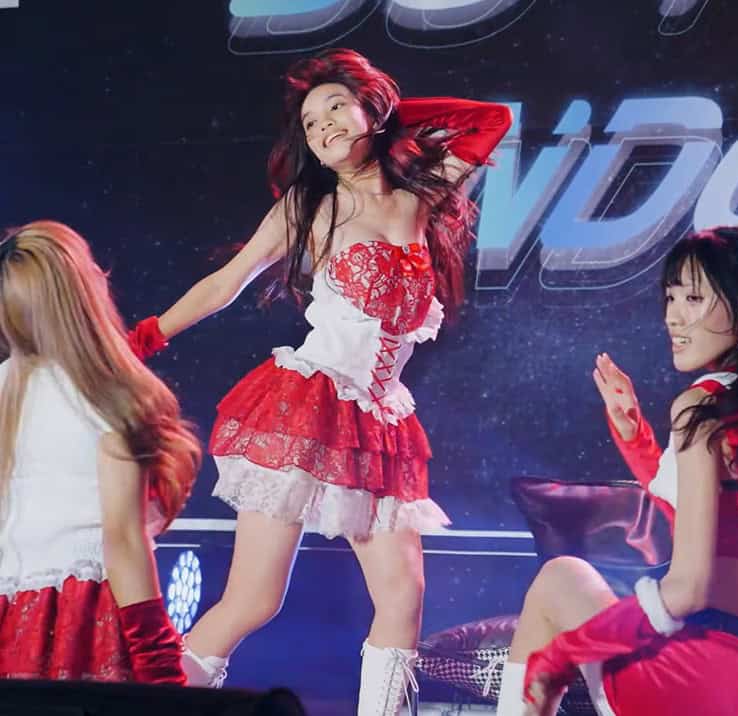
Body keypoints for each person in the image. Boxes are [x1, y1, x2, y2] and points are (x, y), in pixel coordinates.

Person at [126, 48, 510, 713]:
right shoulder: (311, 206)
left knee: (403, 598)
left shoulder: (420, 196)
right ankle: (159, 706)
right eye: (309, 122)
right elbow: (227, 282)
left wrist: (387, 116)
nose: (323, 125)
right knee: (253, 600)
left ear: (372, 111)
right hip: (305, 406)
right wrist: (146, 337)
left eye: (335, 107)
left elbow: (491, 120)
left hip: (379, 421)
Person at [495, 226, 738, 716]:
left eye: (693, 298)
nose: (672, 317)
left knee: (560, 579)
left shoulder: (703, 405)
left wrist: (568, 651)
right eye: (671, 298)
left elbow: (689, 588)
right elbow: (721, 516)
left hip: (698, 678)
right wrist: (635, 434)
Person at [0, 221, 200, 683]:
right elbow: (123, 543)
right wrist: (159, 667)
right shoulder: (107, 399)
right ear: (84, 290)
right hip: (85, 620)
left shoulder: (6, 389)